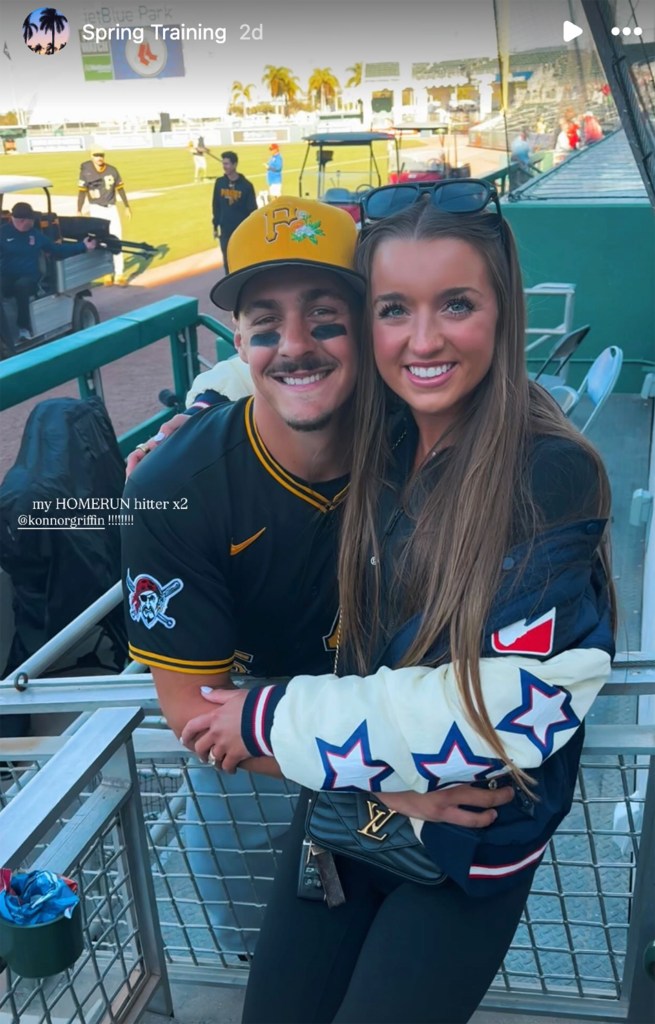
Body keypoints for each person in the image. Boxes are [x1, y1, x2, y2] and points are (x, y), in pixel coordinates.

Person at [180, 183, 615, 1024]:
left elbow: (510, 711)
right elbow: (275, 364)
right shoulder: (375, 433)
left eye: (455, 304)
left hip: (462, 840)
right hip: (355, 806)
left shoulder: (549, 473)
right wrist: (203, 417)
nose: (422, 340)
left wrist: (269, 722)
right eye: (392, 309)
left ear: (502, 310)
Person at [122, 197, 515, 959]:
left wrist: (390, 772)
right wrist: (372, 782)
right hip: (255, 765)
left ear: (371, 327)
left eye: (326, 317)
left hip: (400, 740)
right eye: (264, 322)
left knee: (379, 948)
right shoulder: (175, 485)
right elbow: (194, 713)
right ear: (238, 338)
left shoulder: (427, 434)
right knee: (249, 951)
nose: (294, 345)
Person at [0, 201, 96, 343]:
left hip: (30, 278)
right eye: (31, 220)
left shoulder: (35, 235)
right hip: (8, 275)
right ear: (21, 221)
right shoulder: (3, 233)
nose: (33, 223)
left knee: (22, 286)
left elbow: (57, 249)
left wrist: (83, 246)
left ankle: (23, 328)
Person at [77, 151, 131, 284]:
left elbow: (120, 189)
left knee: (116, 239)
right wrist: (79, 209)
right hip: (96, 208)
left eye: (101, 155)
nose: (99, 158)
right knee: (101, 241)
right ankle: (107, 273)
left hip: (111, 208)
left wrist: (127, 206)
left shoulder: (112, 170)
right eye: (96, 155)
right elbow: (82, 192)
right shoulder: (86, 170)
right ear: (91, 156)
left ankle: (119, 274)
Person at [212, 151, 257, 273]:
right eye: (223, 163)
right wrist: (215, 225)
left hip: (240, 230)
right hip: (225, 230)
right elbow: (215, 205)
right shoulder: (219, 183)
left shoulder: (246, 186)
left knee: (242, 260)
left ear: (235, 164)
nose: (224, 166)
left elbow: (253, 210)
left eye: (227, 164)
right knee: (227, 261)